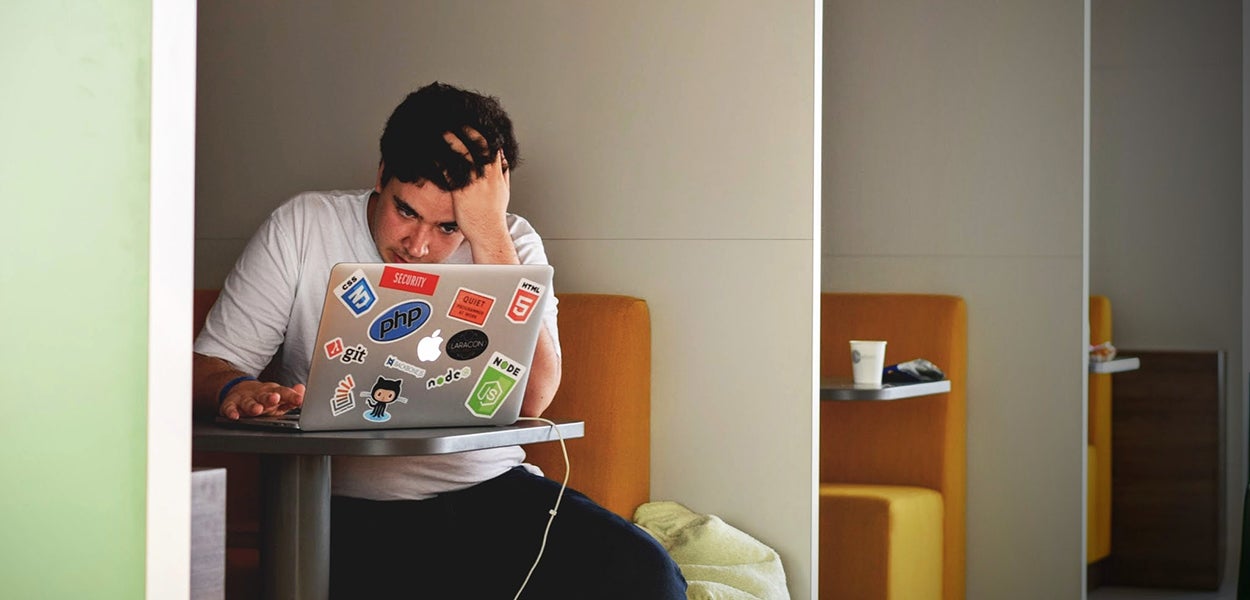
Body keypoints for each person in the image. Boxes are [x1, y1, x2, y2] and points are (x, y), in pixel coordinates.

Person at [192, 82, 687, 598]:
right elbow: (206, 367)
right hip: (338, 509)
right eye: (406, 211)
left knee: (649, 577)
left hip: (487, 491)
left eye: (448, 226)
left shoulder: (510, 242)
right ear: (381, 175)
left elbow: (535, 396)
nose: (419, 245)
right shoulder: (302, 227)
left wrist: (488, 233)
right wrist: (236, 390)